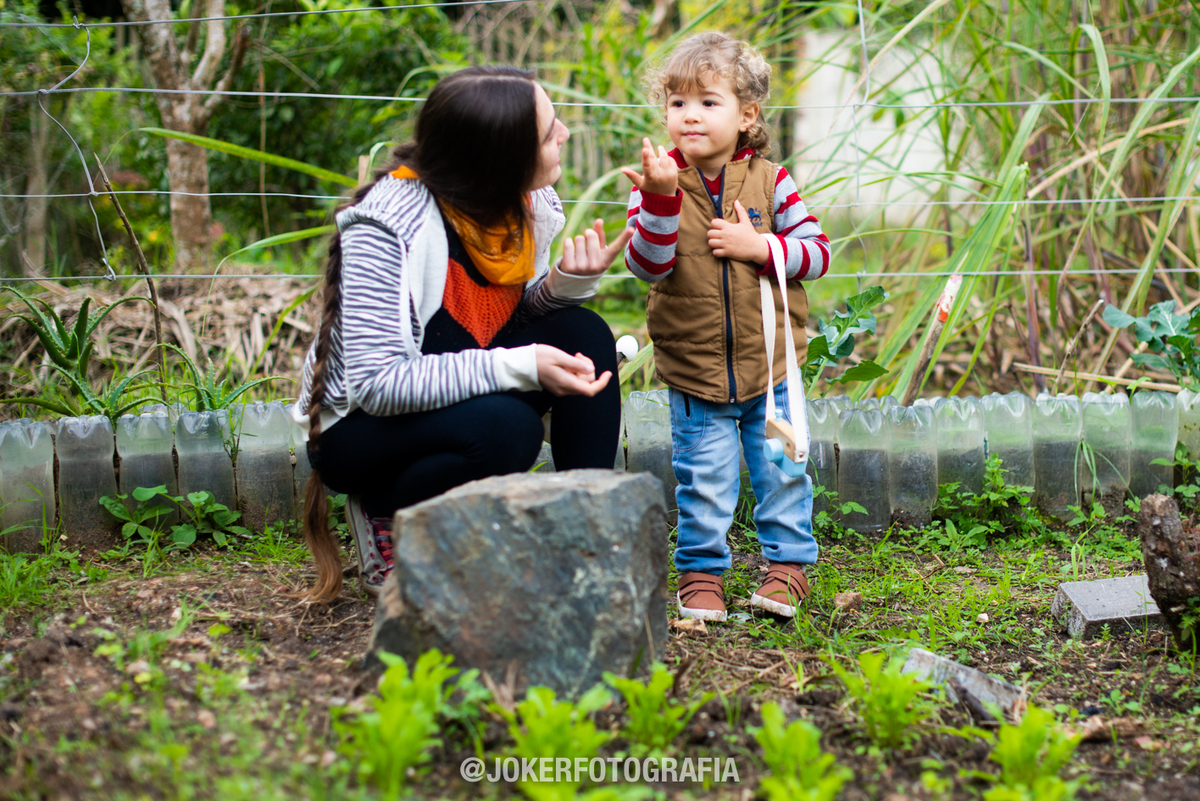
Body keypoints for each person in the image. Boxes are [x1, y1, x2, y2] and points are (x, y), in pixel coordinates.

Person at [294, 65, 633, 603]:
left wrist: (568, 284)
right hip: (361, 430)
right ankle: (388, 507)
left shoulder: (527, 204)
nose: (565, 133)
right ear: (501, 158)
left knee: (584, 334)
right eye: (549, 131)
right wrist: (521, 366)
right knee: (509, 429)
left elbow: (501, 318)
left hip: (451, 381)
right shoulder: (386, 226)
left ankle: (583, 537)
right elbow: (378, 385)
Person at [621, 32, 831, 622]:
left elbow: (817, 253)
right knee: (704, 480)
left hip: (773, 366)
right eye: (678, 102)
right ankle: (702, 574)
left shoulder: (772, 181)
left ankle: (788, 566)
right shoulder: (657, 182)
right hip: (694, 369)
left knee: (781, 469)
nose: (690, 115)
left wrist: (759, 246)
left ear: (747, 115)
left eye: (708, 102)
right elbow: (647, 265)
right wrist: (661, 202)